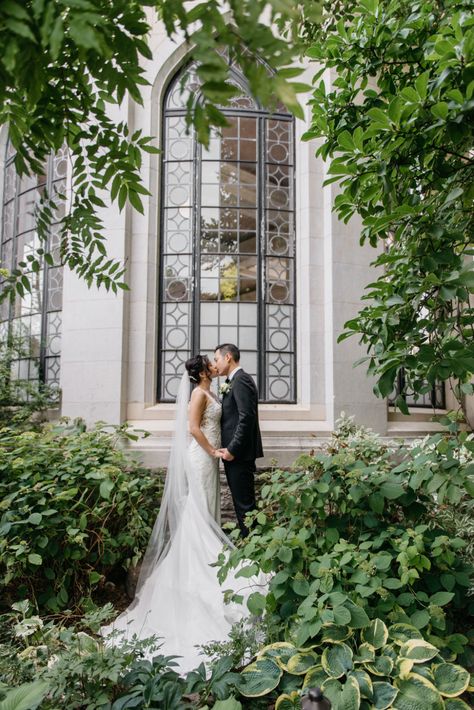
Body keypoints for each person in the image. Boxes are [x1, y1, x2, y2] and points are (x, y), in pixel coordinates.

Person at [101, 354, 258, 672]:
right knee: (197, 512)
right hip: (201, 458)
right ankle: (199, 568)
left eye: (217, 361)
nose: (215, 366)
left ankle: (209, 561)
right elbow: (192, 428)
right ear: (202, 372)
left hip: (211, 460)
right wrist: (212, 450)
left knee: (207, 512)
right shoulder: (199, 394)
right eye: (210, 364)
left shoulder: (213, 391)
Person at [214, 343, 263, 537]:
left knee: (245, 507)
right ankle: (250, 550)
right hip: (234, 455)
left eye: (216, 359)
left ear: (228, 357)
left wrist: (232, 449)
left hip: (239, 455)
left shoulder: (241, 381)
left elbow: (246, 418)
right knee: (241, 506)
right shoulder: (233, 381)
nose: (215, 364)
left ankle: (255, 556)